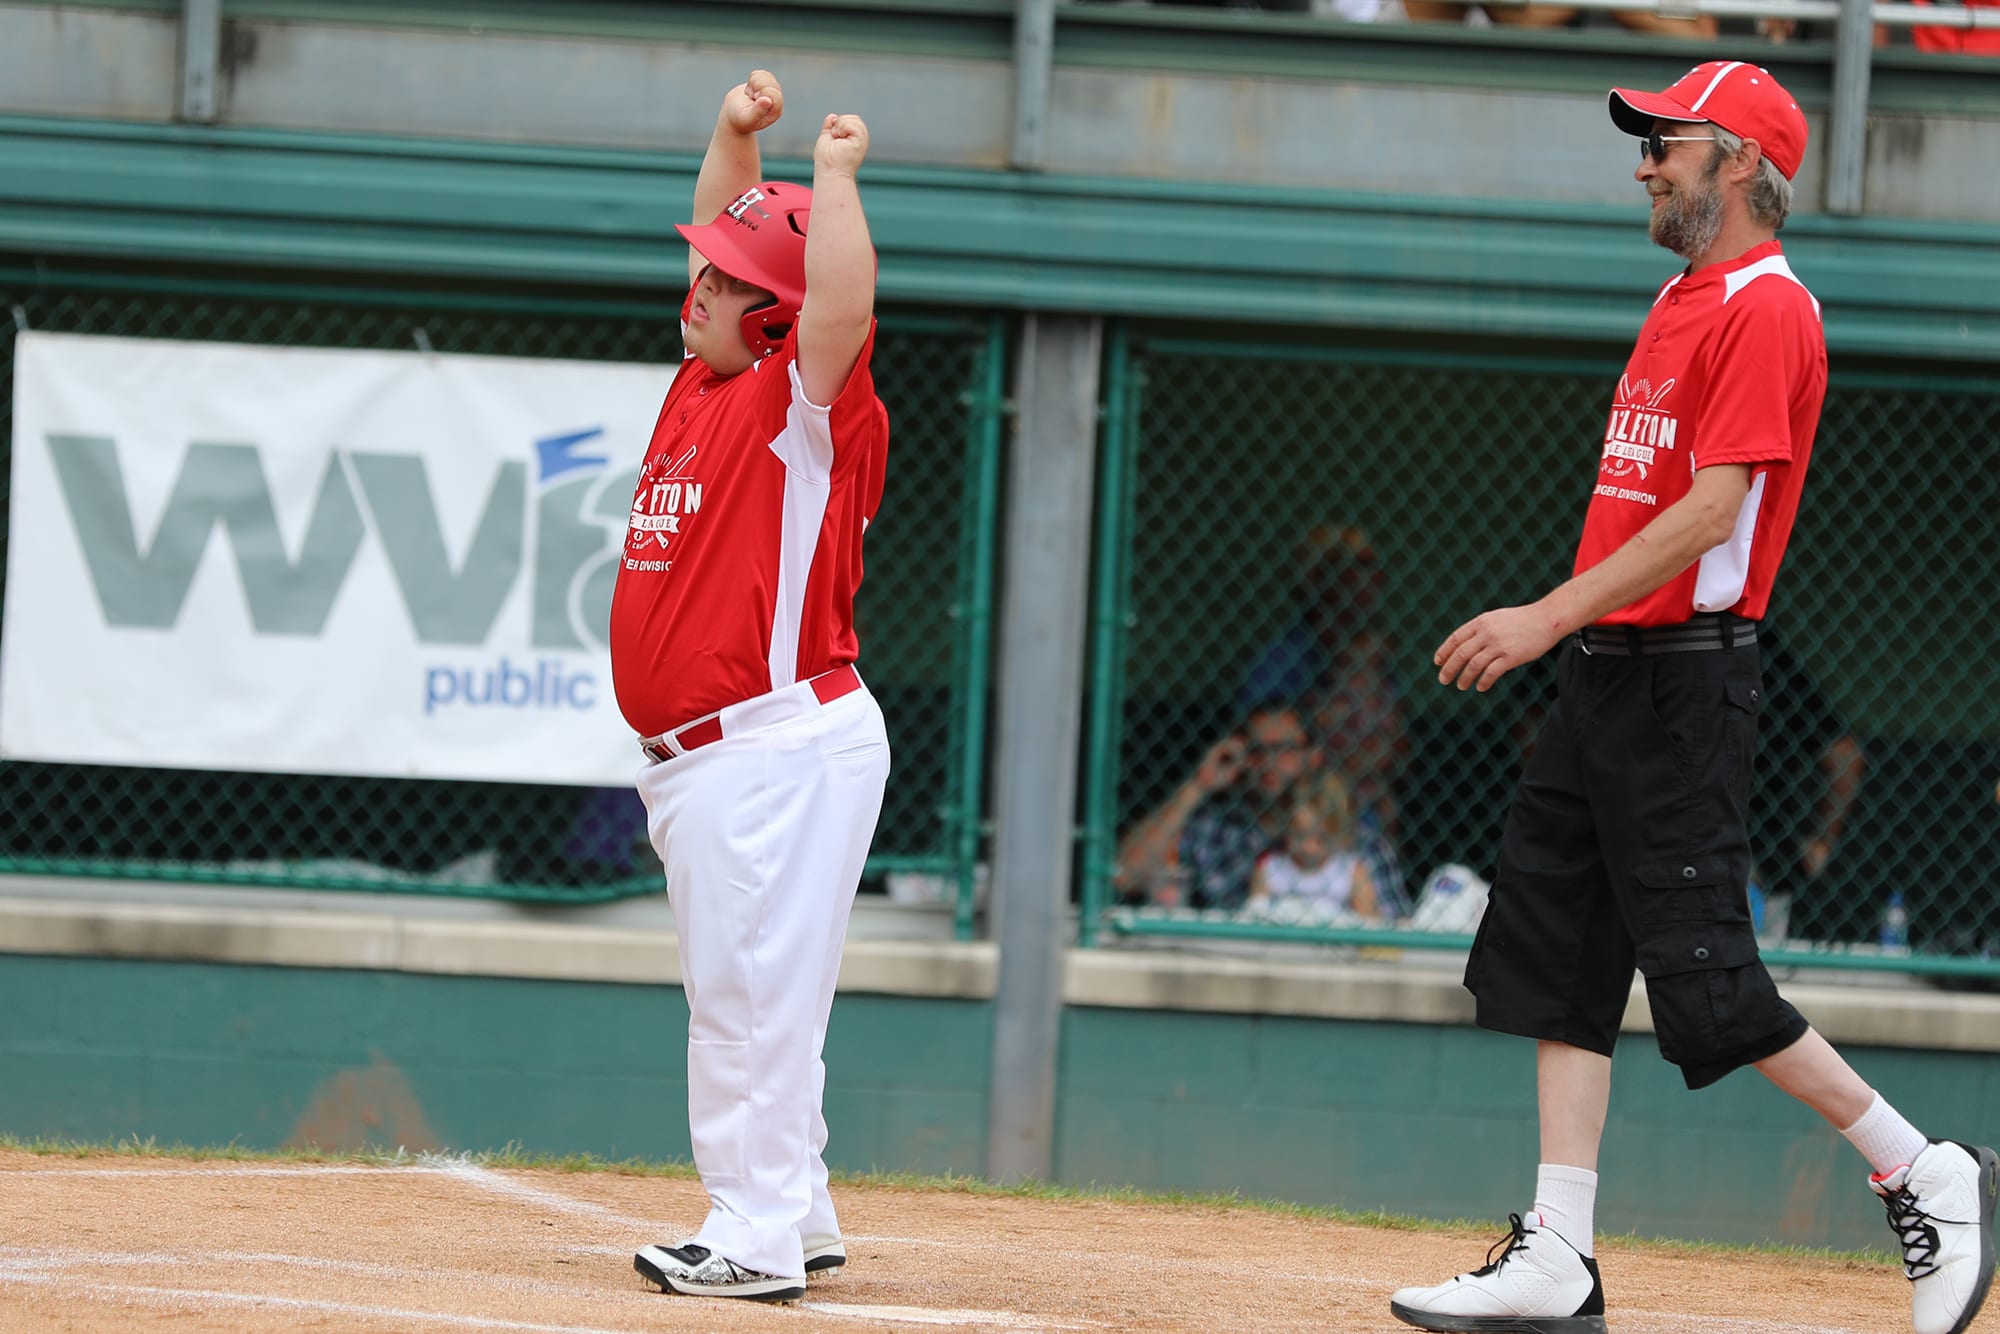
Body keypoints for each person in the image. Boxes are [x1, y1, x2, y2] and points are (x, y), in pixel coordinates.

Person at [1387, 61, 1997, 1334]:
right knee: (1557, 959)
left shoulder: (1768, 309)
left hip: (1681, 681)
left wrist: (1541, 615)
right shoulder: (1679, 294)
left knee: (1707, 978)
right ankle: (1558, 1248)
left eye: (1663, 142)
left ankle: (1919, 1165)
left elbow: (1711, 513)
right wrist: (1573, 637)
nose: (1642, 162)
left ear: (1735, 162)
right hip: (1605, 676)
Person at [614, 70, 891, 1305]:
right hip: (722, 756)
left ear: (774, 324)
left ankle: (757, 1230)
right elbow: (742, 235)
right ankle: (799, 1207)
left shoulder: (799, 407)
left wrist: (829, 180)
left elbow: (833, 302)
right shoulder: (702, 384)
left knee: (749, 1002)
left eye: (726, 283)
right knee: (754, 991)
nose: (700, 288)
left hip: (775, 740)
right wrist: (738, 140)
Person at [1239, 523, 1411, 909]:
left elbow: (1398, 744)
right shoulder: (1288, 657)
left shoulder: (1376, 656)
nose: (1372, 579)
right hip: (1301, 803)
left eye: (1372, 567)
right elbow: (1265, 737)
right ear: (1321, 578)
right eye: (1356, 566)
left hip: (1362, 804)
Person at [1114, 699, 1319, 910]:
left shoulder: (1335, 822)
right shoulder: (1214, 823)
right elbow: (1125, 875)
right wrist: (1198, 786)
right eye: (1256, 750)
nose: (1269, 761)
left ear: (1313, 756)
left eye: (1283, 749)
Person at [1748, 619, 1866, 941]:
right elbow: (1847, 756)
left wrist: (1823, 842)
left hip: (1759, 854)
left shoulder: (1762, 652)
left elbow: (1846, 755)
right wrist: (1822, 843)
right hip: (1725, 848)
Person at [1246, 769, 1382, 921]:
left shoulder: (1351, 871)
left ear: (1338, 834)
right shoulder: (1269, 868)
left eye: (1321, 839)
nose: (1309, 847)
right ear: (1285, 827)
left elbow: (1371, 924)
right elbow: (1254, 916)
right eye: (1300, 836)